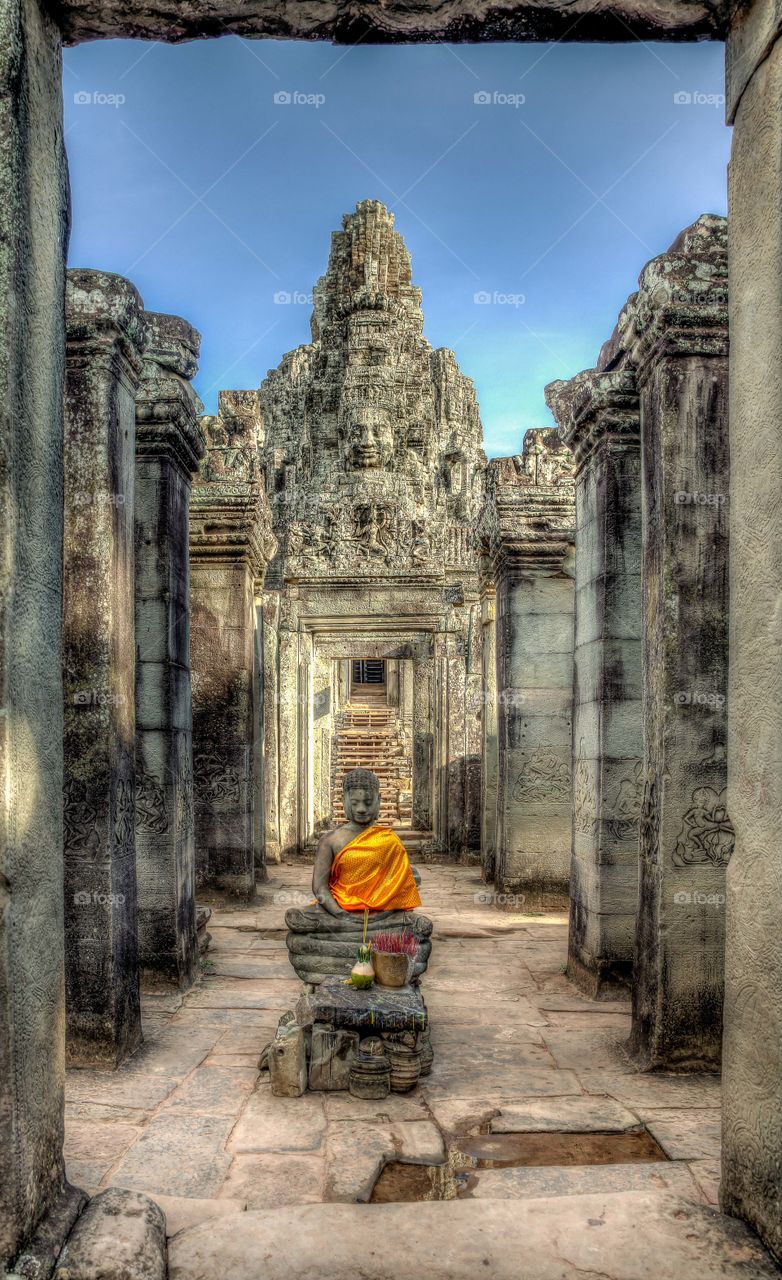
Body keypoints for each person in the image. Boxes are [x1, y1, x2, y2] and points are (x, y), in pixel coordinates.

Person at [312, 768, 421, 918]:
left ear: (379, 800)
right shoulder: (330, 840)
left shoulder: (390, 841)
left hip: (383, 912)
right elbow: (319, 888)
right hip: (340, 910)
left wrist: (382, 915)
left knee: (419, 924)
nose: (361, 809)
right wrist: (341, 915)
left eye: (368, 803)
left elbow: (399, 889)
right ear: (344, 800)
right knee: (296, 916)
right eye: (354, 803)